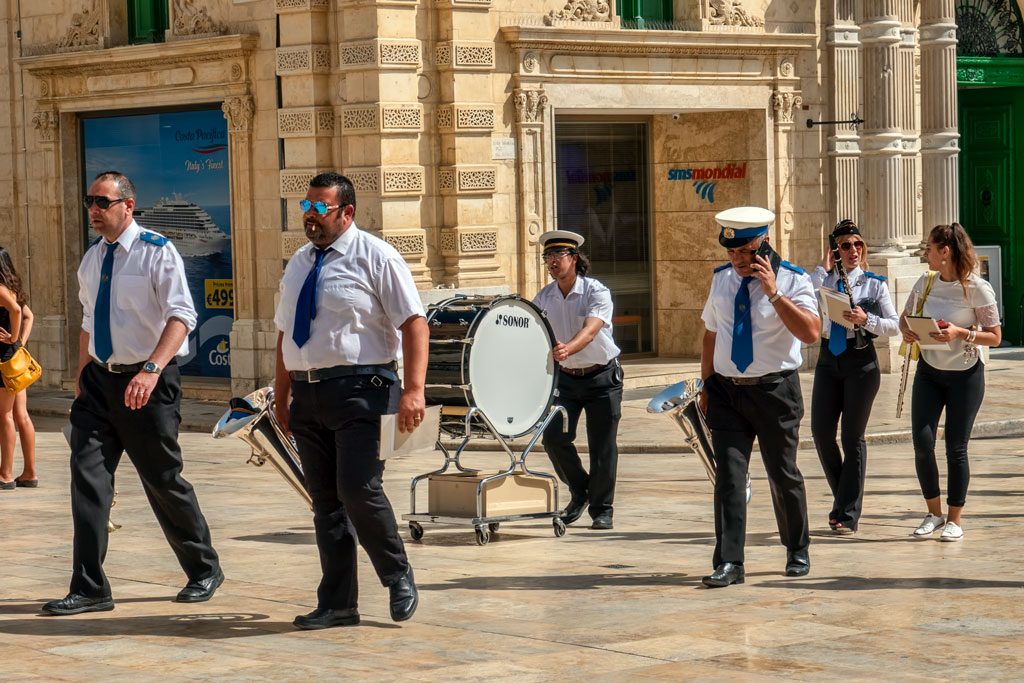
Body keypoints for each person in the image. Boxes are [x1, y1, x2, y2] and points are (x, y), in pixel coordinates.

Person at [43, 171, 222, 616]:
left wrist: (150, 369)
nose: (94, 210)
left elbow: (182, 315)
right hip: (100, 385)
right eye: (90, 202)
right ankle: (90, 587)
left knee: (162, 480)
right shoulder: (91, 260)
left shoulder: (157, 253)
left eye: (102, 202)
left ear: (129, 205)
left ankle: (204, 568)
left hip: (148, 382)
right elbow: (88, 321)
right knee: (87, 483)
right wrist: (82, 376)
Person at [273, 171, 427, 630]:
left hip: (364, 389)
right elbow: (284, 334)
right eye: (307, 206)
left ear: (347, 212)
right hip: (309, 392)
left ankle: (397, 574)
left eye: (320, 208)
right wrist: (280, 398)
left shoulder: (376, 257)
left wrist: (415, 391)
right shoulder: (299, 262)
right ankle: (339, 603)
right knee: (324, 501)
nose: (310, 216)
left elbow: (414, 323)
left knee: (358, 487)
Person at [698, 206, 820, 588]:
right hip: (727, 391)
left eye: (744, 251)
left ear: (763, 243)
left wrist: (775, 294)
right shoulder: (721, 279)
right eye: (730, 252)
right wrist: (705, 384)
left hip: (775, 391)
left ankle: (797, 548)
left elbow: (811, 333)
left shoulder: (794, 280)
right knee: (730, 478)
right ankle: (730, 561)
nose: (736, 259)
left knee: (783, 474)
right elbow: (711, 334)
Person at [899, 223, 1001, 542]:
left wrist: (961, 333)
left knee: (955, 448)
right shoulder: (925, 281)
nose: (925, 253)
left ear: (945, 251)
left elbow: (995, 337)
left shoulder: (977, 288)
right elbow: (905, 317)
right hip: (929, 371)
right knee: (922, 442)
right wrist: (908, 330)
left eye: (929, 247)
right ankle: (933, 513)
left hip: (966, 375)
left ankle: (955, 518)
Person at [809, 220, 898, 534]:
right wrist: (824, 264)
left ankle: (847, 514)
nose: (853, 251)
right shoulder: (824, 280)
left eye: (858, 245)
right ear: (835, 250)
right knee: (821, 433)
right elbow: (807, 292)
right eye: (845, 245)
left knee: (851, 438)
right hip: (827, 358)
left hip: (860, 362)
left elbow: (893, 325)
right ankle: (844, 501)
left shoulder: (874, 284)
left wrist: (866, 318)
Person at [533, 230, 623, 530]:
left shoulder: (595, 291)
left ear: (574, 258)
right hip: (566, 381)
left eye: (558, 256)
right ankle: (581, 490)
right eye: (548, 257)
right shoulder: (543, 297)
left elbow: (591, 329)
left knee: (602, 446)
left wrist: (567, 348)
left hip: (601, 376)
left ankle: (602, 509)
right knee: (553, 439)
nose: (552, 262)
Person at [0, 247, 35, 490]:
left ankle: (6, 475)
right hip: (14, 359)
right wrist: (20, 342)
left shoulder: (1, 289)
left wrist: (13, 338)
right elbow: (28, 315)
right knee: (20, 415)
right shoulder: (13, 288)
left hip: (4, 359)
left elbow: (16, 311)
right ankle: (30, 473)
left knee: (5, 415)